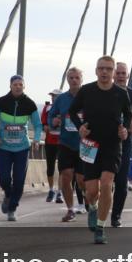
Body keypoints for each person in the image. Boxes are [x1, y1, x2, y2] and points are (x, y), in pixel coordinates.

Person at [69, 56, 132, 244]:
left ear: (113, 72)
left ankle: (100, 227)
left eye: (108, 69)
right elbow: (73, 111)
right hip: (90, 144)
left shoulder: (121, 93)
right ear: (96, 71)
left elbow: (129, 116)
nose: (104, 72)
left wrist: (125, 129)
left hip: (112, 144)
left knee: (106, 183)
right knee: (91, 191)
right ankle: (93, 207)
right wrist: (80, 126)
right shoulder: (87, 91)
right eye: (101, 68)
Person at [0, 75, 43, 222]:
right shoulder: (2, 101)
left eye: (20, 84)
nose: (18, 87)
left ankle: (12, 208)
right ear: (10, 86)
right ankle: (8, 194)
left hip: (22, 149)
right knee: (4, 178)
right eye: (15, 84)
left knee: (19, 181)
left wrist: (36, 139)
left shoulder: (29, 104)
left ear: (24, 86)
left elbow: (38, 125)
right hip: (4, 147)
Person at [51, 67, 88, 222]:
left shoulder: (88, 97)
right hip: (66, 143)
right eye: (71, 77)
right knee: (66, 177)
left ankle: (89, 201)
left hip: (84, 144)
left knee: (81, 179)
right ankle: (70, 209)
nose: (74, 80)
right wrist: (53, 121)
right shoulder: (61, 99)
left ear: (81, 79)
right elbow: (52, 116)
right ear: (67, 79)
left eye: (77, 77)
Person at [112, 62, 132, 228]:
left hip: (125, 144)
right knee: (100, 181)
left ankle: (116, 215)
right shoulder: (105, 92)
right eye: (118, 73)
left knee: (121, 182)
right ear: (113, 74)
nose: (120, 76)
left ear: (128, 75)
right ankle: (95, 206)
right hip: (105, 143)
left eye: (123, 73)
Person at [42, 89, 62, 202]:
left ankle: (60, 192)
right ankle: (51, 190)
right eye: (52, 96)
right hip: (50, 141)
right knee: (50, 167)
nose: (53, 98)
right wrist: (47, 126)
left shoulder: (65, 107)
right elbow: (44, 125)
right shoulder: (47, 108)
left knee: (62, 168)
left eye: (56, 96)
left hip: (63, 142)